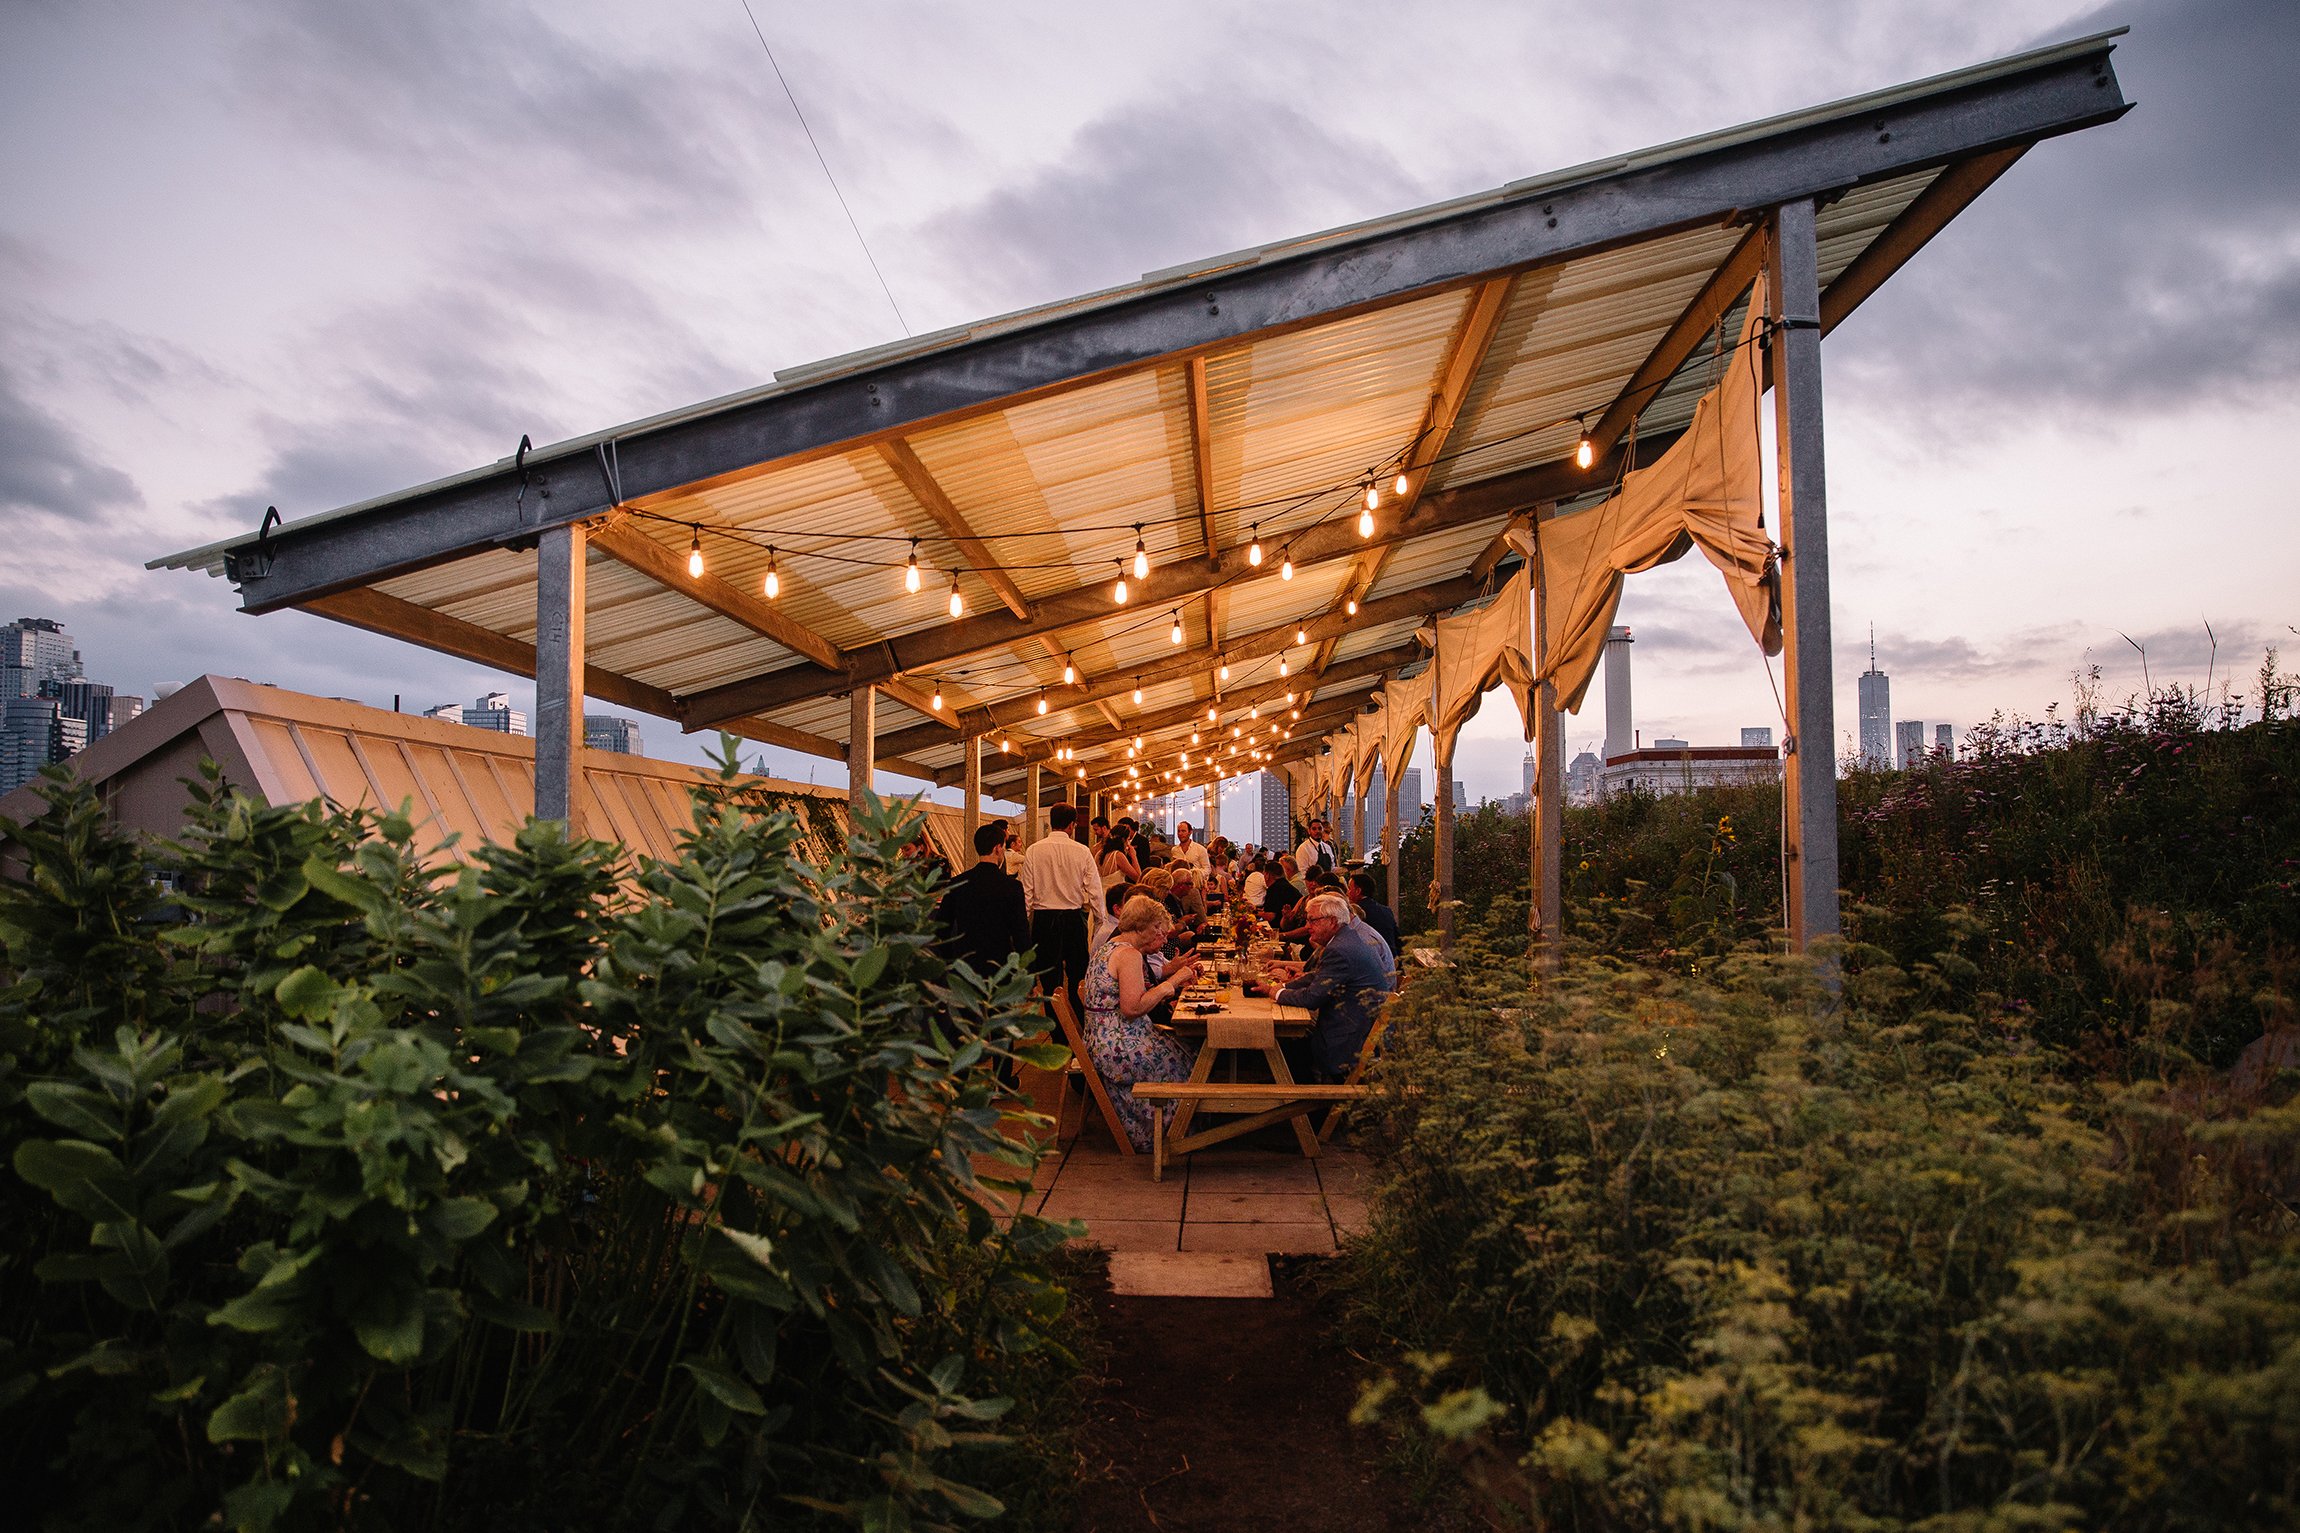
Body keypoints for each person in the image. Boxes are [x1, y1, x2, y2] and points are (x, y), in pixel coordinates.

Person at [1079, 895, 1202, 1152]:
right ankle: (1172, 1134)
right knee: (1190, 1060)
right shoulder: (1129, 955)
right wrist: (1172, 983)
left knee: (1185, 1048)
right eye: (1159, 928)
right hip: (1119, 1048)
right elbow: (1132, 1007)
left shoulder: (1110, 948)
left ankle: (1174, 1127)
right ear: (1144, 926)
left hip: (1102, 1041)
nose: (1163, 935)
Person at [1271, 891, 1396, 1083]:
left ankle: (1307, 1106)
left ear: (1332, 921)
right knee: (1289, 1039)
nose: (1307, 927)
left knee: (1286, 1045)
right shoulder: (1348, 939)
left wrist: (1276, 992)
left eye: (1313, 921)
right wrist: (1285, 985)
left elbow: (1311, 999)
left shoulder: (1340, 949)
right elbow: (1317, 975)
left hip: (1349, 1043)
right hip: (1357, 1028)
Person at [1021, 802, 1106, 1005]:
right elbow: (1095, 891)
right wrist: (1100, 923)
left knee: (1049, 979)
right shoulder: (1082, 851)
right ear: (1072, 825)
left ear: (1051, 823)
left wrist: (1024, 925)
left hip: (1044, 920)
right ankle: (1078, 1022)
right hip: (1073, 918)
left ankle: (1056, 1027)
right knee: (1078, 976)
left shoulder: (1033, 851)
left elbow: (1026, 893)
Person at [935, 820, 1031, 977]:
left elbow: (941, 929)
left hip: (965, 968)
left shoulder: (957, 884)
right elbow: (1021, 934)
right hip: (1000, 968)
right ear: (998, 848)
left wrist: (951, 961)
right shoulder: (1011, 887)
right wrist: (1028, 973)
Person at [1347, 869, 1402, 959]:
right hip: (1392, 960)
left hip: (1373, 962)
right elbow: (1398, 941)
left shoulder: (1355, 914)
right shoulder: (1386, 910)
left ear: (1358, 891)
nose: (1347, 892)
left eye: (1349, 888)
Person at [1098, 823, 1141, 894]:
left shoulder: (1099, 853)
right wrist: (1133, 856)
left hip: (1099, 893)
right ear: (1123, 840)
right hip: (1113, 896)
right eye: (1128, 840)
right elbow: (1138, 877)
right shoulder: (1117, 855)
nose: (1128, 844)